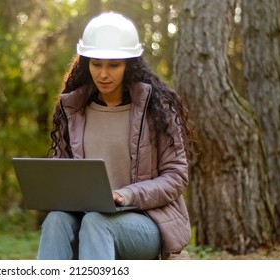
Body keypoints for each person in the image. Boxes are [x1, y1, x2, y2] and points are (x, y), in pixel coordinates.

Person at [37, 12, 195, 260]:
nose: (103, 73)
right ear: (86, 63)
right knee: (56, 219)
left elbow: (176, 176)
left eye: (113, 65)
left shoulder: (157, 109)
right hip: (86, 217)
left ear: (129, 64)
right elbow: (62, 172)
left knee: (96, 221)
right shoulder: (74, 110)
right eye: (96, 63)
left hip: (146, 222)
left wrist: (126, 195)